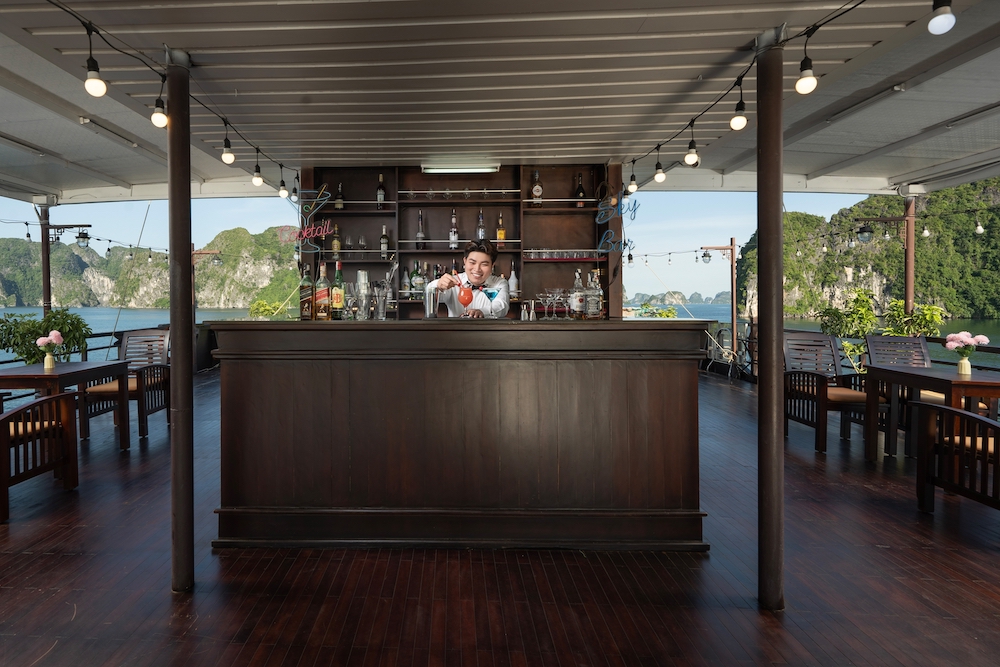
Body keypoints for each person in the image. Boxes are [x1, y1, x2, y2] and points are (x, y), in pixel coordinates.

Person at [428, 240, 509, 318]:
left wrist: (482, 312)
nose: (477, 269)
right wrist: (438, 285)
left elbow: (501, 306)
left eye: (484, 264)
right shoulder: (453, 282)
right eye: (472, 263)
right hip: (456, 328)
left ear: (492, 266)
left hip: (488, 328)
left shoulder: (499, 283)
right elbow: (429, 296)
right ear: (465, 261)